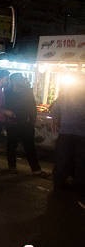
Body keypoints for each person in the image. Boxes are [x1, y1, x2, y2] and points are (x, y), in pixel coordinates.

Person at [4, 73, 49, 177]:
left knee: (29, 147)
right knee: (12, 146)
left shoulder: (27, 92)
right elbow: (5, 107)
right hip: (13, 123)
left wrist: (32, 121)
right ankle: (12, 167)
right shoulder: (8, 92)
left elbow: (32, 107)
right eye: (18, 80)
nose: (20, 81)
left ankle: (35, 169)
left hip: (25, 123)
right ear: (14, 81)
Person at [50, 74, 85, 205]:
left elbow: (54, 113)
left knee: (62, 159)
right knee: (81, 161)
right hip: (82, 135)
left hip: (65, 133)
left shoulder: (64, 97)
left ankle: (59, 184)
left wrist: (58, 128)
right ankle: (80, 187)